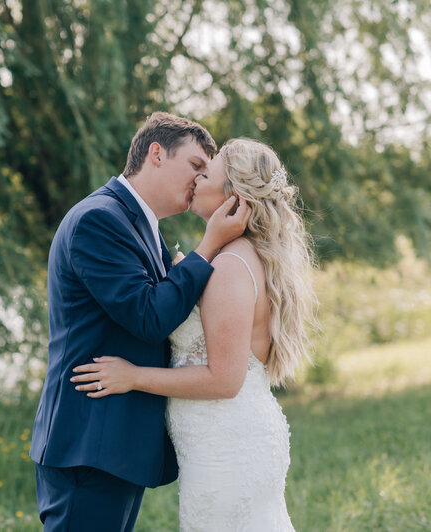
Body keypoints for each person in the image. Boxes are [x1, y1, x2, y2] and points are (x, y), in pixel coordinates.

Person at [72, 138, 317, 530]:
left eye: (207, 173)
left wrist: (132, 376)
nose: (197, 180)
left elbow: (224, 379)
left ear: (232, 199)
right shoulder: (231, 259)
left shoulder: (231, 267)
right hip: (225, 439)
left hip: (227, 445)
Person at [29, 113, 252, 531]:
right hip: (88, 443)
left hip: (114, 444)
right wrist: (207, 249)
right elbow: (149, 316)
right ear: (156, 154)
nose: (201, 180)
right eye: (195, 166)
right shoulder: (99, 220)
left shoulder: (141, 226)